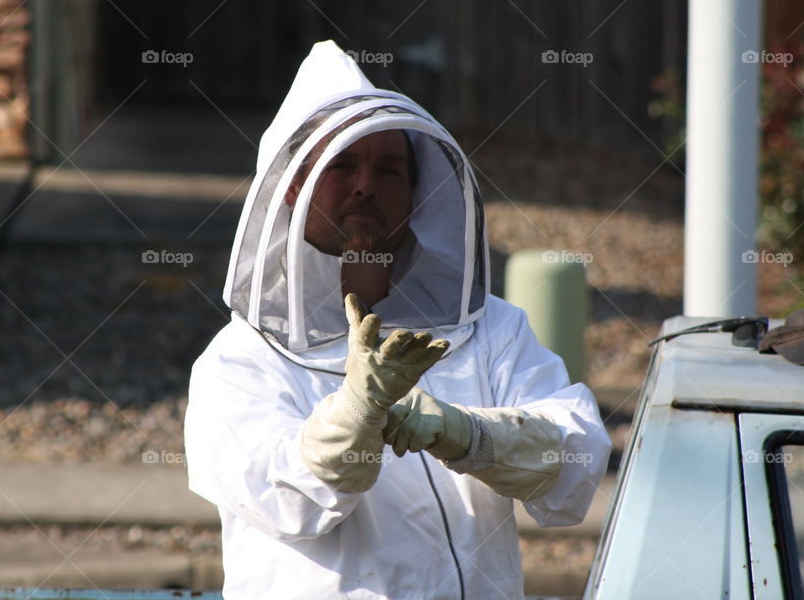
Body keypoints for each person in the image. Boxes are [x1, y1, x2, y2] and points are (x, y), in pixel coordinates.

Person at [185, 40, 611, 600]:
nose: (366, 185)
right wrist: (355, 415)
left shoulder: (490, 330)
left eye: (389, 169)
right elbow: (290, 500)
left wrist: (469, 435)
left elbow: (576, 466)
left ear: (415, 192)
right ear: (293, 187)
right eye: (342, 165)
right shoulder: (238, 361)